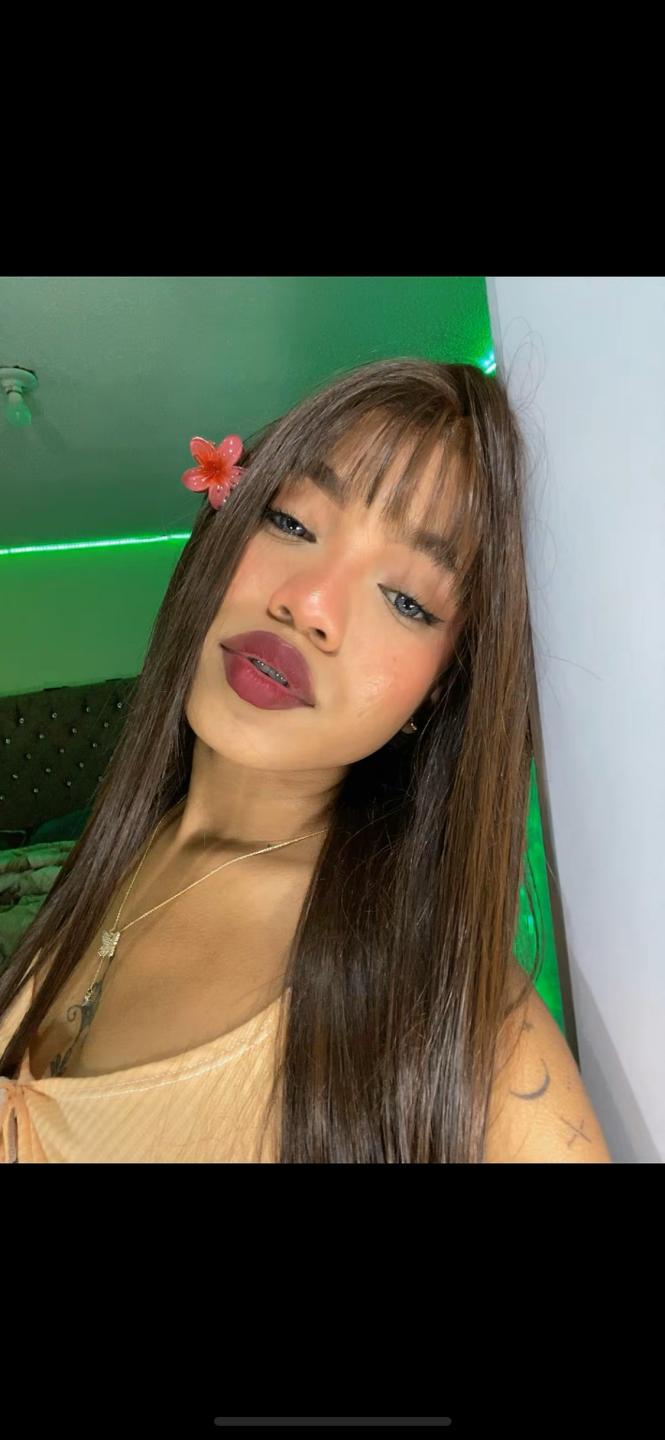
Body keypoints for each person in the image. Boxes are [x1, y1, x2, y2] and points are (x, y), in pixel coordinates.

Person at [0, 356, 612, 1162]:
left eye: (406, 599)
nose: (309, 603)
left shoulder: (451, 1012)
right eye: (291, 523)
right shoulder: (117, 851)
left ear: (440, 687)